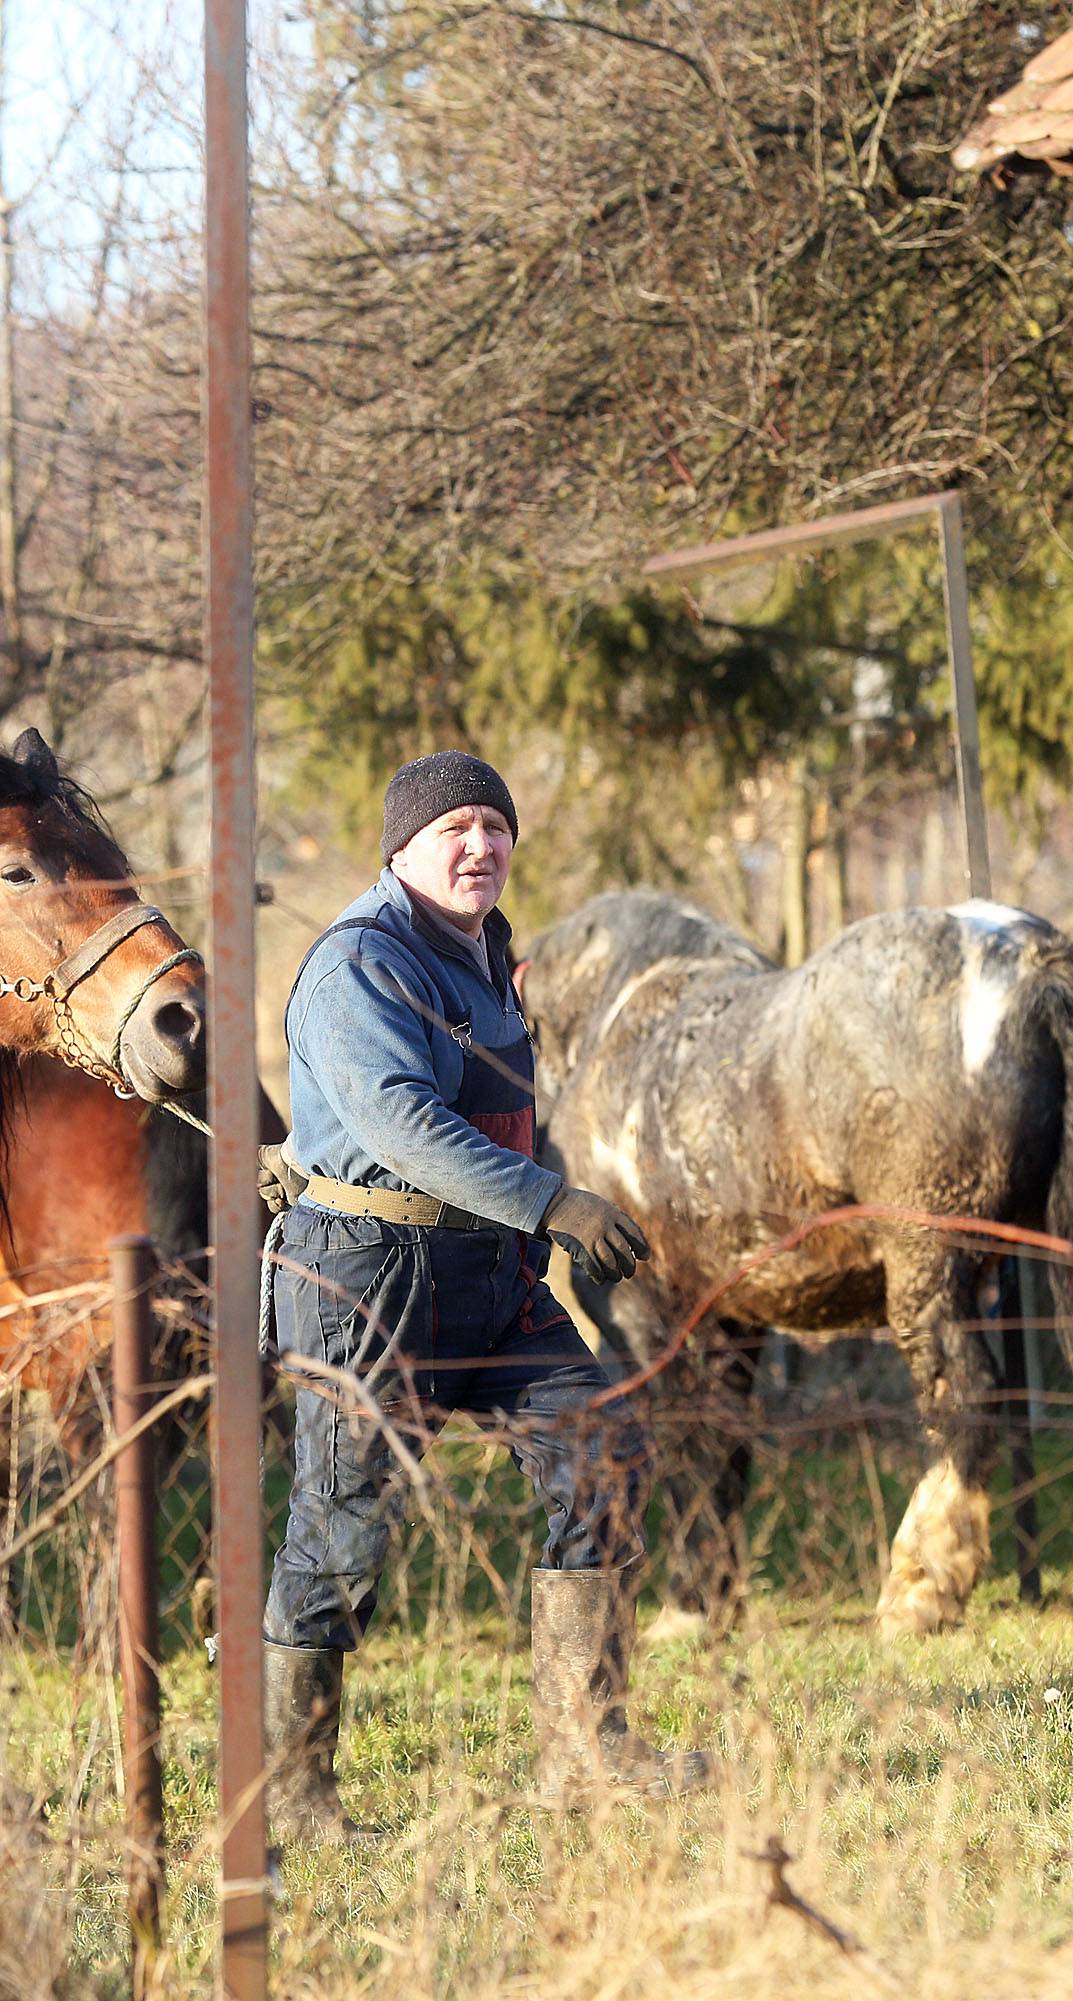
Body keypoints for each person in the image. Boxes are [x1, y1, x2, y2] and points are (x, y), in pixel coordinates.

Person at [260, 750, 705, 1838]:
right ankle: (292, 1795)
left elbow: (506, 1118)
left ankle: (584, 1751)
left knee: (600, 1449)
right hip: (364, 1276)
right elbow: (406, 1127)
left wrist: (554, 1217)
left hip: (490, 1276)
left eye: (495, 828)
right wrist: (556, 1204)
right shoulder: (357, 966)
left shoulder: (488, 957)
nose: (480, 846)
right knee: (344, 1525)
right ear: (399, 847)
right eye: (454, 827)